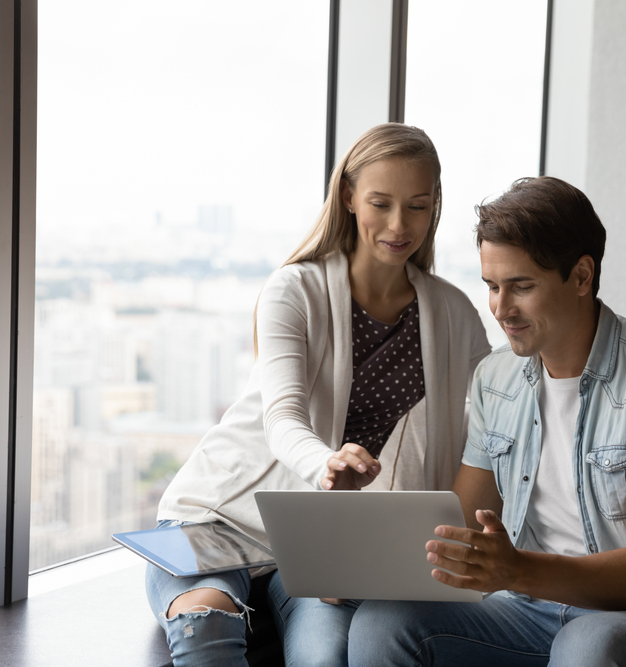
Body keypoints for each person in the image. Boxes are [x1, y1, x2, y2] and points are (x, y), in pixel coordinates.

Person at [348, 176, 626, 667]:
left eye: (521, 287)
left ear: (581, 276)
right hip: (528, 612)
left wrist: (515, 571)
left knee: (588, 646)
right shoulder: (495, 377)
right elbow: (460, 527)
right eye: (492, 286)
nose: (500, 308)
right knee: (382, 623)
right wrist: (363, 568)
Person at [146, 123, 491, 667]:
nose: (400, 225)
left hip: (322, 544)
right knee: (205, 628)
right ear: (349, 196)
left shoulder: (454, 315)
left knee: (327, 656)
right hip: (223, 520)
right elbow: (281, 418)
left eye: (418, 206)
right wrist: (326, 463)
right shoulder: (295, 290)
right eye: (381, 203)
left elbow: (497, 426)